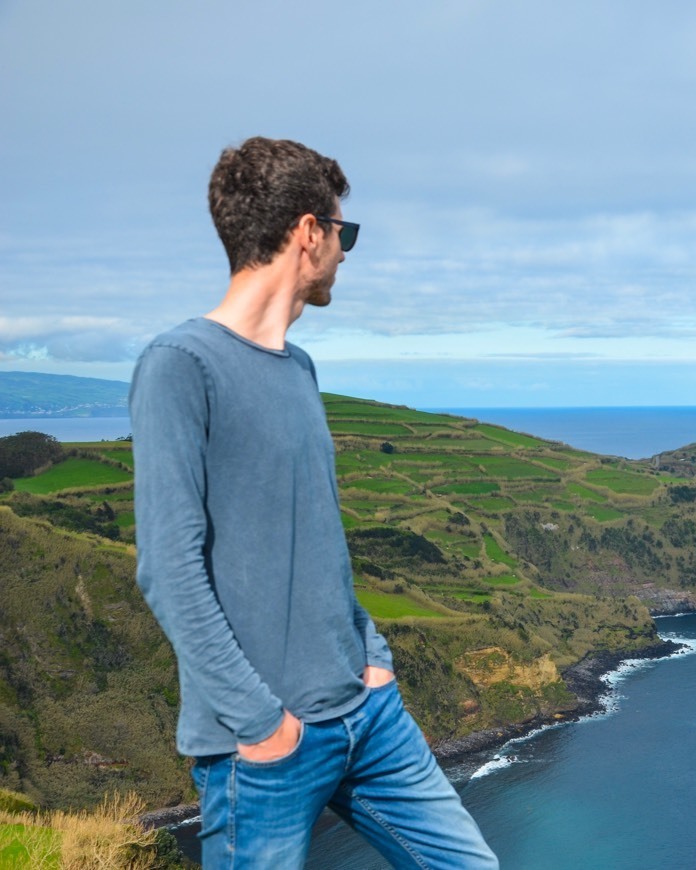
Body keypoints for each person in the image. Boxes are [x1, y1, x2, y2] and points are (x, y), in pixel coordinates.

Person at [130, 137, 498, 868]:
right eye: (342, 233)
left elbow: (317, 542)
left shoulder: (299, 367)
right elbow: (168, 569)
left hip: (367, 712)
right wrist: (262, 723)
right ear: (307, 233)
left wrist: (372, 656)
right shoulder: (179, 365)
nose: (343, 252)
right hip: (263, 746)